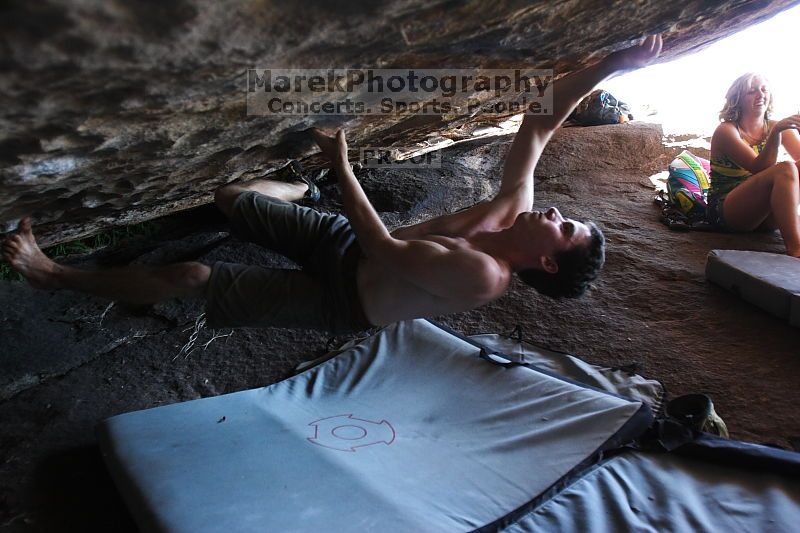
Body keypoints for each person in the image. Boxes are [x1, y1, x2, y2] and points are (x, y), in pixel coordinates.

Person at [1, 35, 662, 334]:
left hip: (344, 292)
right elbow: (539, 123)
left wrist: (341, 164)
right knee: (232, 199)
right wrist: (613, 63)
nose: (552, 209)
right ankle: (306, 197)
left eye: (564, 226)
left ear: (547, 259)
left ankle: (52, 274)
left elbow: (382, 251)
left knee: (195, 278)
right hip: (345, 238)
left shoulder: (482, 278)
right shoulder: (512, 207)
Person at [707, 73, 800, 256]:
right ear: (737, 99)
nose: (760, 95)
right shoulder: (727, 131)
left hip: (763, 214)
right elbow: (760, 168)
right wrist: (775, 134)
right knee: (785, 169)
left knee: (790, 168)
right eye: (752, 91)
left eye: (764, 90)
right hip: (729, 211)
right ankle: (796, 249)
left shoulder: (774, 125)